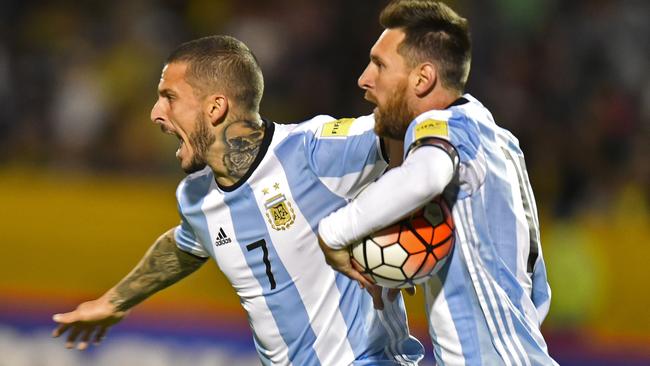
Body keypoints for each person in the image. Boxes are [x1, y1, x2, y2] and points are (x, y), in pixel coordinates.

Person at [51, 35, 425, 365]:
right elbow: (185, 245)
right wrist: (115, 301)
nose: (155, 114)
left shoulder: (314, 151)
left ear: (215, 108)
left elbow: (414, 120)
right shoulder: (197, 198)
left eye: (169, 98)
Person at [317, 1, 558, 365]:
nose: (364, 78)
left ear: (422, 78)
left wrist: (334, 231)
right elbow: (537, 288)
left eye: (380, 64)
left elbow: (426, 175)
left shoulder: (442, 125)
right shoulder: (495, 139)